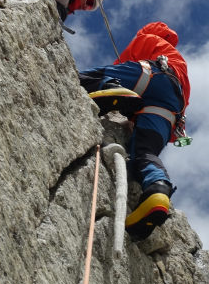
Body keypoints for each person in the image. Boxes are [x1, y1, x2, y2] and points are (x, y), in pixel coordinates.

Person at [78, 22, 190, 240]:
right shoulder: (181, 66)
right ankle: (157, 189)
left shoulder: (150, 39)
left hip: (153, 75)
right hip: (170, 112)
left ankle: (112, 88)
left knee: (88, 77)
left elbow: (125, 62)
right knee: (144, 153)